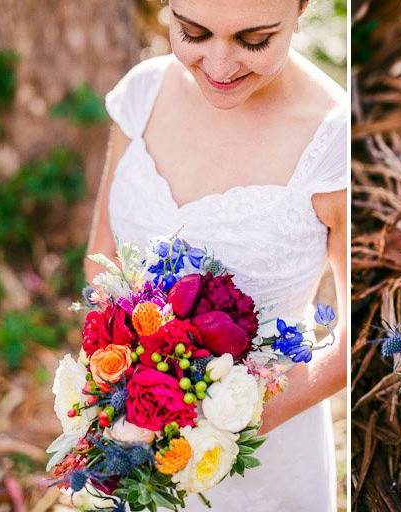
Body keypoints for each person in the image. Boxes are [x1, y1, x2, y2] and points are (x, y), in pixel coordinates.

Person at [84, 0, 347, 509]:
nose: (221, 67)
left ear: (301, 9)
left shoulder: (335, 142)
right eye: (193, 32)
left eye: (254, 41)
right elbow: (101, 256)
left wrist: (219, 429)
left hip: (265, 455)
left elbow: (354, 341)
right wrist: (109, 395)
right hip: (129, 435)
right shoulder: (143, 93)